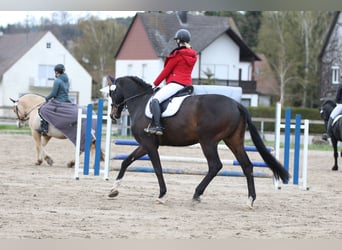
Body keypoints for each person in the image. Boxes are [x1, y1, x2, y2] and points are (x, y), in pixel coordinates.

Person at [144, 29, 197, 136]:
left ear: (178, 40)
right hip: (187, 84)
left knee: (155, 99)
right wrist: (189, 48)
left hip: (176, 83)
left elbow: (166, 71)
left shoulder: (177, 55)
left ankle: (157, 126)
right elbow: (189, 52)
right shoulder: (193, 56)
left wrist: (154, 84)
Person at [37, 64, 71, 135]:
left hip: (59, 101)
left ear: (56, 72)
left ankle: (44, 128)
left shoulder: (57, 81)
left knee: (43, 109)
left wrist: (45, 98)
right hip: (67, 100)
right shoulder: (67, 79)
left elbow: (53, 94)